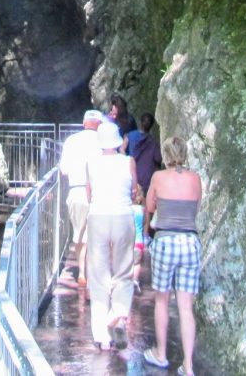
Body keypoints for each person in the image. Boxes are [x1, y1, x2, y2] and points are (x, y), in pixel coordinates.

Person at [143, 135, 202, 375]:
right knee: (186, 307)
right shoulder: (196, 179)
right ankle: (188, 365)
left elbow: (149, 206)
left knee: (162, 300)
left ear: (166, 155)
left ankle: (161, 353)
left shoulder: (158, 177)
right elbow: (196, 209)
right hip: (190, 242)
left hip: (166, 240)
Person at [85, 121, 138, 352]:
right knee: (123, 271)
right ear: (118, 141)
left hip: (98, 216)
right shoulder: (128, 162)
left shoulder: (92, 162)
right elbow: (134, 189)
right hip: (123, 216)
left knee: (98, 274)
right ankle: (118, 313)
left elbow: (89, 192)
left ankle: (101, 336)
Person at [59, 110, 102, 284]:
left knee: (79, 234)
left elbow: (64, 170)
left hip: (76, 191)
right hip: (99, 193)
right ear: (99, 124)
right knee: (97, 234)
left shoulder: (71, 141)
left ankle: (82, 272)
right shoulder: (103, 142)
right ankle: (94, 272)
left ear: (84, 123)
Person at [128, 112, 163, 195]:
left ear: (140, 122)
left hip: (132, 174)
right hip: (146, 178)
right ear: (151, 126)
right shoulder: (153, 142)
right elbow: (158, 158)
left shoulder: (130, 135)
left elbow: (122, 148)